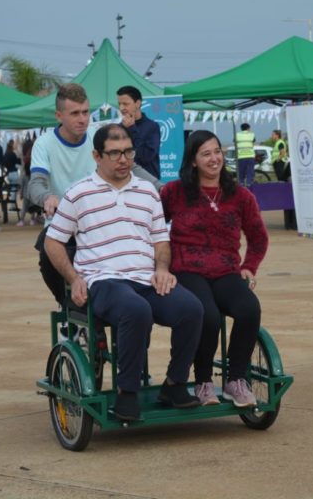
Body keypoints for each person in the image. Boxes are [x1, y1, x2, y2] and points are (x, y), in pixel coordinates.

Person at [44, 124, 203, 421]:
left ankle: (174, 384)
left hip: (146, 278)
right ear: (96, 155)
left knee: (191, 308)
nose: (123, 159)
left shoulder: (147, 192)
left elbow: (160, 239)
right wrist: (73, 277)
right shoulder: (79, 193)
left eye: (128, 152)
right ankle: (126, 394)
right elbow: (54, 240)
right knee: (135, 309)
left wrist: (162, 268)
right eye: (114, 153)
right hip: (104, 280)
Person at [161, 130, 268, 408]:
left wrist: (249, 267)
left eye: (217, 151)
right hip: (187, 270)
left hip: (225, 270)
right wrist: (160, 265)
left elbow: (258, 238)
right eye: (205, 153)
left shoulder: (241, 196)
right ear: (193, 160)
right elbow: (153, 227)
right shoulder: (174, 192)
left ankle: (236, 380)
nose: (214, 159)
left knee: (249, 308)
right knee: (206, 315)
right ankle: (203, 381)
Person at [29, 83, 161, 306]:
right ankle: (69, 305)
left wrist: (161, 187)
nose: (82, 119)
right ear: (59, 115)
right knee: (46, 249)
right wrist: (47, 197)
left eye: (85, 112)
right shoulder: (44, 144)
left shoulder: (96, 136)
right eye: (74, 114)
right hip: (65, 220)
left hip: (101, 218)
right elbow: (36, 183)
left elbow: (131, 167)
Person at [117, 85, 161, 179]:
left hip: (148, 182)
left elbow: (145, 157)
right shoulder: (118, 128)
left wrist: (132, 128)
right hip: (125, 182)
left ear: (137, 103)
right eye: (119, 104)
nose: (121, 108)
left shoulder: (152, 127)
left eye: (125, 104)